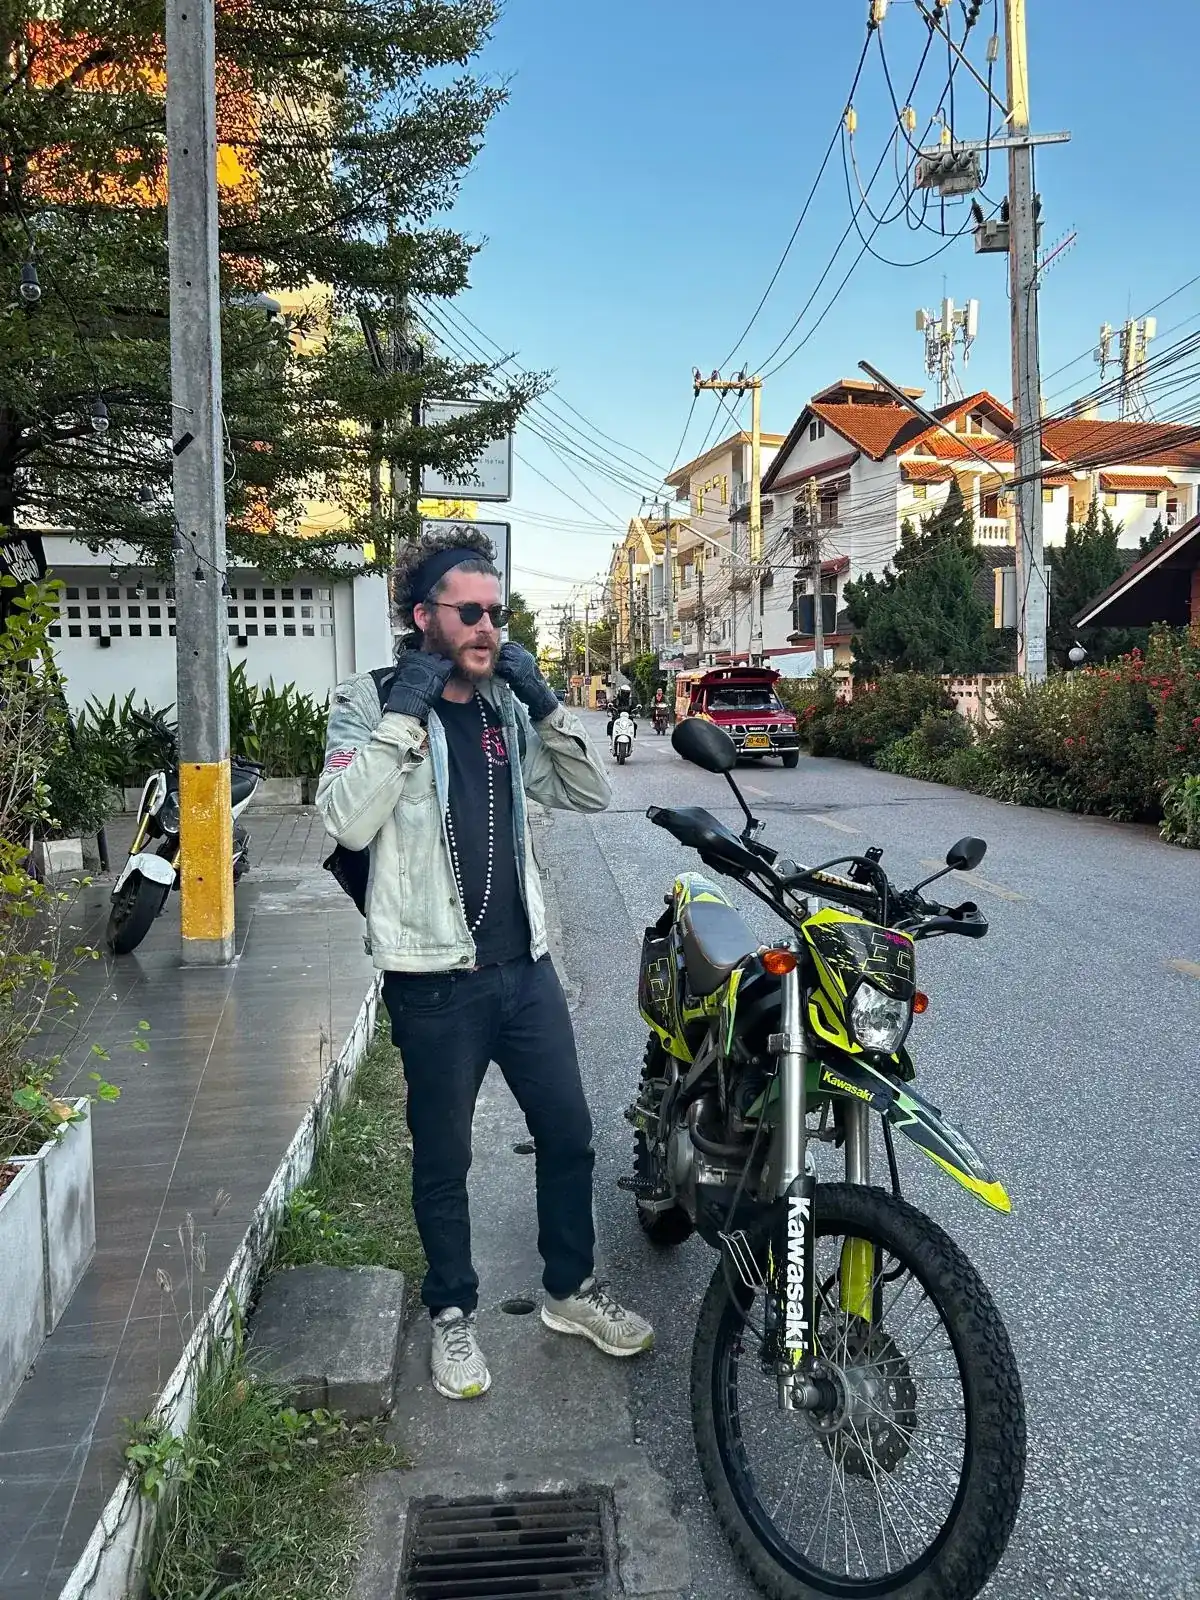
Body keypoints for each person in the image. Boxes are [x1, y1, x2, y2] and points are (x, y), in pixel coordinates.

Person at [316, 529, 653, 1401]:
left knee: (570, 1135)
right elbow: (347, 821)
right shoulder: (368, 701)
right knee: (444, 1159)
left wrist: (545, 704)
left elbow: (590, 792)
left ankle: (569, 1290)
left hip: (524, 967)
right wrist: (406, 714)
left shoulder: (505, 704)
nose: (488, 629)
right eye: (471, 613)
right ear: (423, 616)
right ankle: (454, 1316)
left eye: (496, 614)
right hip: (431, 979)